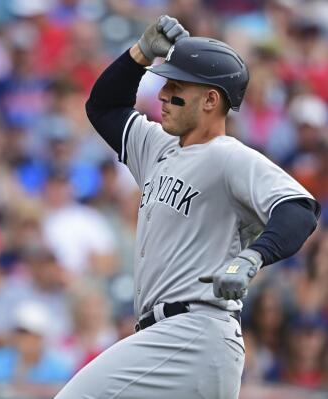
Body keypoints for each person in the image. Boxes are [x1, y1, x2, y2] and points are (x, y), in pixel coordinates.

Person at [55, 15, 320, 399]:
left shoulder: (229, 157)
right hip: (176, 340)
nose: (162, 95)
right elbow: (104, 107)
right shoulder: (157, 146)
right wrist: (140, 55)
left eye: (176, 87)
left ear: (211, 100)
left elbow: (298, 209)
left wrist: (251, 259)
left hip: (193, 331)